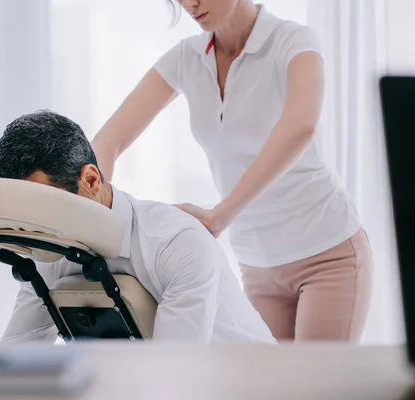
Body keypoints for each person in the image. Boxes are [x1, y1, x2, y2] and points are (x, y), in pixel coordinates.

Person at [90, 0, 373, 342]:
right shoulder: (186, 59)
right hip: (256, 264)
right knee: (267, 390)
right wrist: (94, 209)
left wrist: (219, 216)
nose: (190, 4)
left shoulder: (293, 41)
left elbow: (301, 126)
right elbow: (108, 141)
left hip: (326, 251)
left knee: (321, 389)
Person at [0, 110, 275, 344]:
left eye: (43, 207)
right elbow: (15, 360)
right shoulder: (49, 255)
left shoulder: (177, 244)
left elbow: (174, 379)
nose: (37, 229)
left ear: (91, 181)